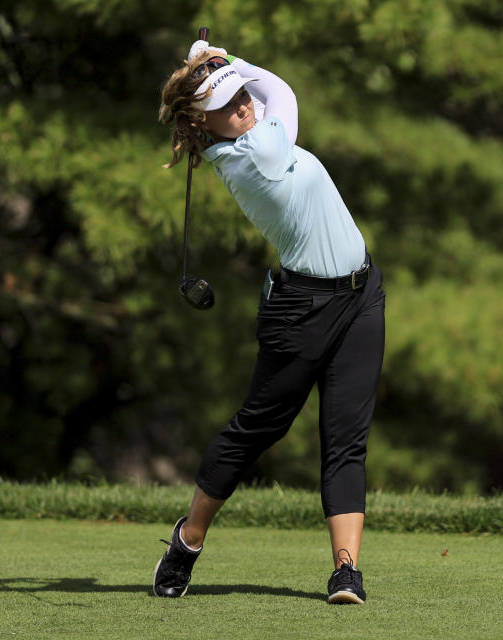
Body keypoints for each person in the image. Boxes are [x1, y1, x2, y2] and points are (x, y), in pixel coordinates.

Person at [152, 40, 385, 604]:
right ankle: (188, 540)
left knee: (346, 438)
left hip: (361, 296)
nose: (243, 105)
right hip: (302, 310)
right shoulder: (256, 153)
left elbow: (262, 97)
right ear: (203, 123)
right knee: (258, 427)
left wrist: (218, 67)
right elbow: (280, 91)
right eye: (229, 103)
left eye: (239, 98)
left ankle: (346, 571)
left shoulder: (245, 135)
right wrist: (232, 63)